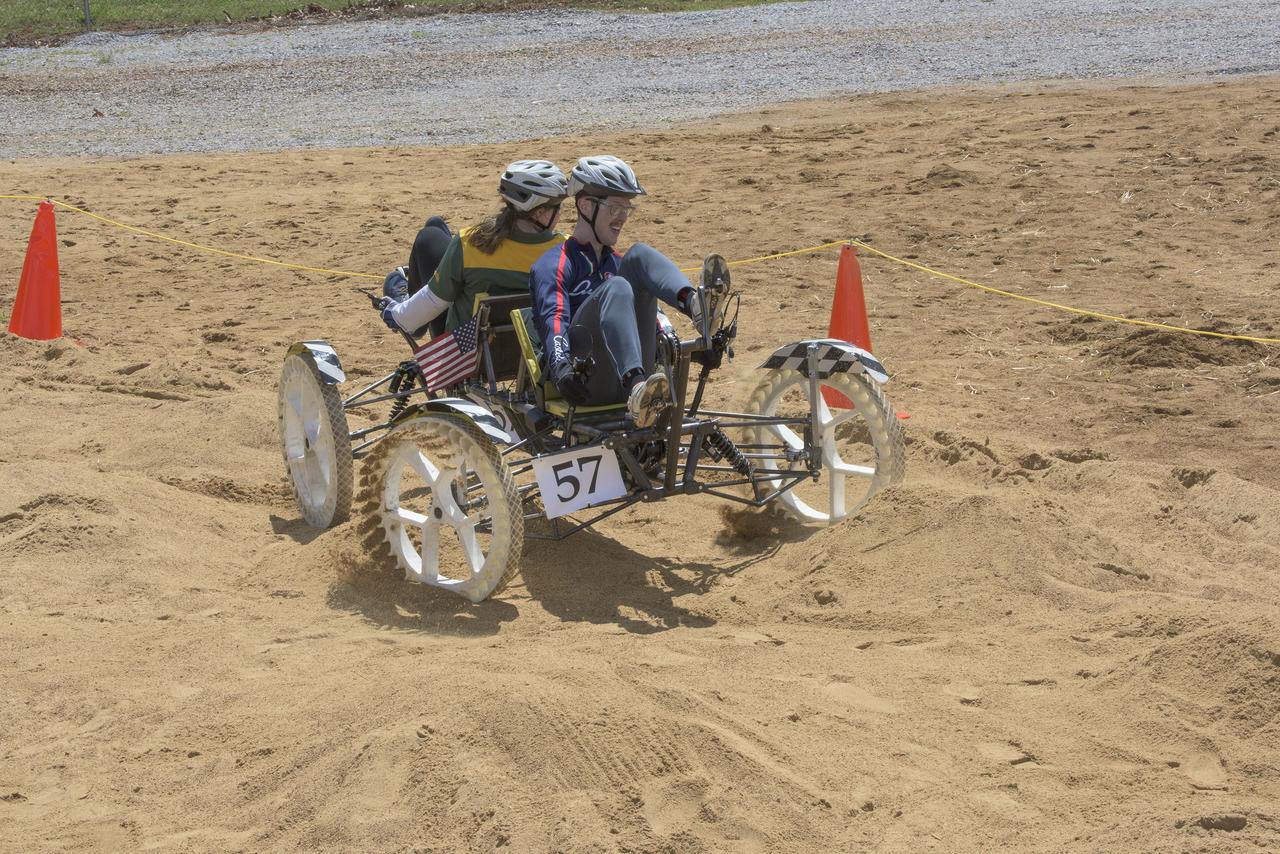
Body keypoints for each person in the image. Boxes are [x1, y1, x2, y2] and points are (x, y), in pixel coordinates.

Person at [529, 155, 705, 428]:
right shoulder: (554, 263)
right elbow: (552, 320)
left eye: (627, 208)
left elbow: (654, 319)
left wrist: (697, 346)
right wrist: (562, 367)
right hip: (584, 381)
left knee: (639, 255)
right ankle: (637, 390)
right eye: (614, 207)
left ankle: (697, 306)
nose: (622, 216)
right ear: (585, 205)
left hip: (638, 380)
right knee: (618, 286)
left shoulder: (620, 263)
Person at [378, 159, 569, 336]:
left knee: (430, 235)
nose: (560, 212)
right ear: (540, 213)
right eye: (557, 207)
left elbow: (433, 302)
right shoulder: (567, 251)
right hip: (538, 361)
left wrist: (394, 314)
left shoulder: (470, 245)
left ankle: (407, 310)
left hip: (470, 359)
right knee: (437, 229)